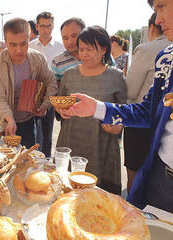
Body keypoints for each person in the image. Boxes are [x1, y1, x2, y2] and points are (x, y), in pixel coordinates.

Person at [62, 0, 173, 213]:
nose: (158, 20)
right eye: (155, 9)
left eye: (162, 6)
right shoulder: (166, 59)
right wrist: (98, 108)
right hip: (162, 178)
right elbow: (146, 111)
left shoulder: (115, 76)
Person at [55, 26, 127, 195]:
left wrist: (118, 126)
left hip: (102, 144)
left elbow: (124, 111)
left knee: (100, 201)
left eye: (90, 49)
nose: (84, 54)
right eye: (81, 49)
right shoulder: (69, 75)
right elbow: (61, 102)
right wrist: (59, 109)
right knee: (68, 195)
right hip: (71, 139)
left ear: (103, 49)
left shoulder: (116, 77)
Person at [0, 18, 57, 149]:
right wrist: (9, 119)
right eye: (13, 45)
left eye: (23, 44)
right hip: (5, 121)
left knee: (29, 158)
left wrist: (45, 105)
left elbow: (51, 82)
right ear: (5, 42)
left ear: (29, 39)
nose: (19, 50)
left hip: (29, 120)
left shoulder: (38, 59)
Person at [124, 12, 172, 193]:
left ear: (151, 27)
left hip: (140, 127)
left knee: (135, 184)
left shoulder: (147, 50)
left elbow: (130, 90)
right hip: (161, 132)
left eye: (162, 6)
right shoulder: (166, 52)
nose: (160, 18)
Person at [29, 12, 64, 157]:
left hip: (51, 94)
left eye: (48, 26)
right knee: (32, 132)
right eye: (42, 26)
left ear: (53, 26)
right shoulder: (29, 47)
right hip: (31, 93)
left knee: (47, 132)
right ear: (37, 26)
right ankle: (33, 160)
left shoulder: (60, 48)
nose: (45, 30)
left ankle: (46, 161)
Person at [52, 17, 86, 83]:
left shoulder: (99, 55)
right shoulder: (57, 62)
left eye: (74, 36)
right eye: (65, 38)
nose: (70, 42)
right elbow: (55, 88)